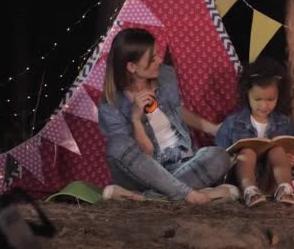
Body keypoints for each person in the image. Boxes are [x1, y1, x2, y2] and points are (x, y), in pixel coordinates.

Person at [98, 28, 237, 204]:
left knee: (219, 156)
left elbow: (177, 111)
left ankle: (144, 198)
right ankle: (191, 195)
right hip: (143, 173)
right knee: (117, 146)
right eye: (152, 58)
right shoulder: (110, 106)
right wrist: (135, 120)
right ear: (132, 67)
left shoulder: (166, 76)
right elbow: (144, 156)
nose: (160, 60)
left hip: (180, 164)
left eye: (157, 54)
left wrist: (213, 129)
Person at [216, 57, 294, 207]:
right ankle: (251, 192)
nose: (264, 105)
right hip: (241, 181)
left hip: (270, 182)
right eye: (258, 99)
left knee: (277, 150)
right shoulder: (233, 122)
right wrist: (232, 159)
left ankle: (285, 190)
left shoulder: (284, 122)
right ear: (247, 94)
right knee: (247, 151)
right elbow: (218, 156)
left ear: (278, 96)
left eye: (270, 99)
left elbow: (293, 155)